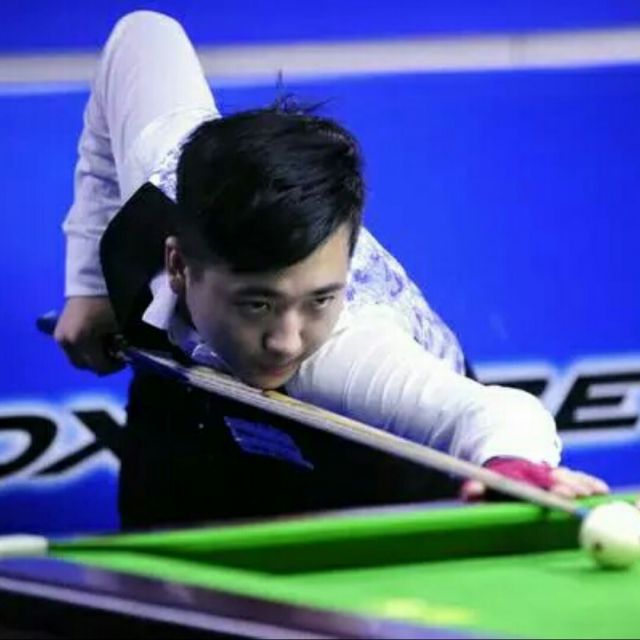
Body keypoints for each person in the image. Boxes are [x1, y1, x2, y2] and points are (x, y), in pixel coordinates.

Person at [54, 11, 607, 528]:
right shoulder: (164, 160)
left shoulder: (348, 351)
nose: (286, 341)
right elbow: (143, 33)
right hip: (189, 401)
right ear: (178, 265)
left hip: (370, 468)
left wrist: (513, 463)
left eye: (320, 298)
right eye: (257, 303)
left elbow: (491, 413)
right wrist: (90, 289)